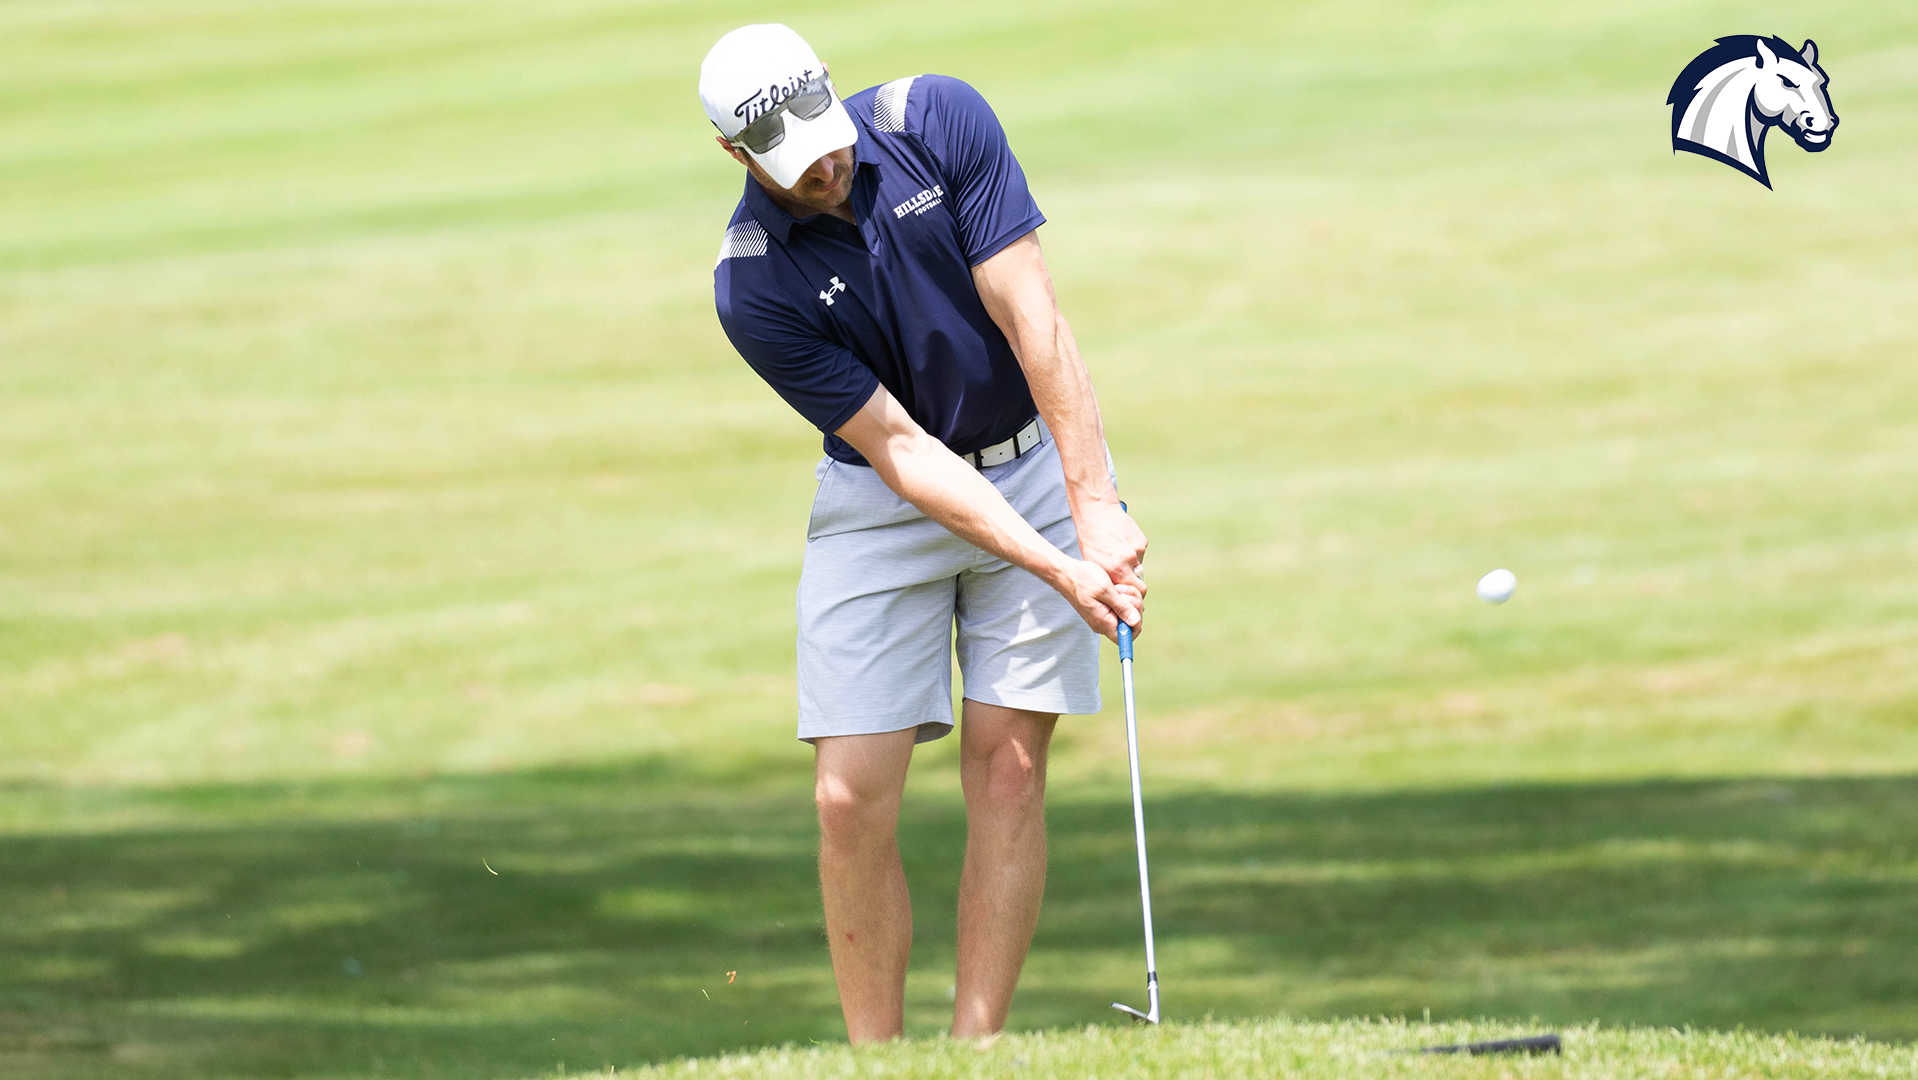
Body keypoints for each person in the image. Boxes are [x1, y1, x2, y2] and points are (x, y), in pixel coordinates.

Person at [700, 23, 1148, 1042]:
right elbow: (902, 453)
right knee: (848, 798)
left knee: (1009, 768)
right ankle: (877, 1061)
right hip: (881, 503)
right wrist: (1056, 569)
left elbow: (1035, 321)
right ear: (735, 156)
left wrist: (1094, 505)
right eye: (788, 156)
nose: (824, 163)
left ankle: (974, 1051)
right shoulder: (751, 282)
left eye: (823, 131)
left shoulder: (935, 119)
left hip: (1034, 463)